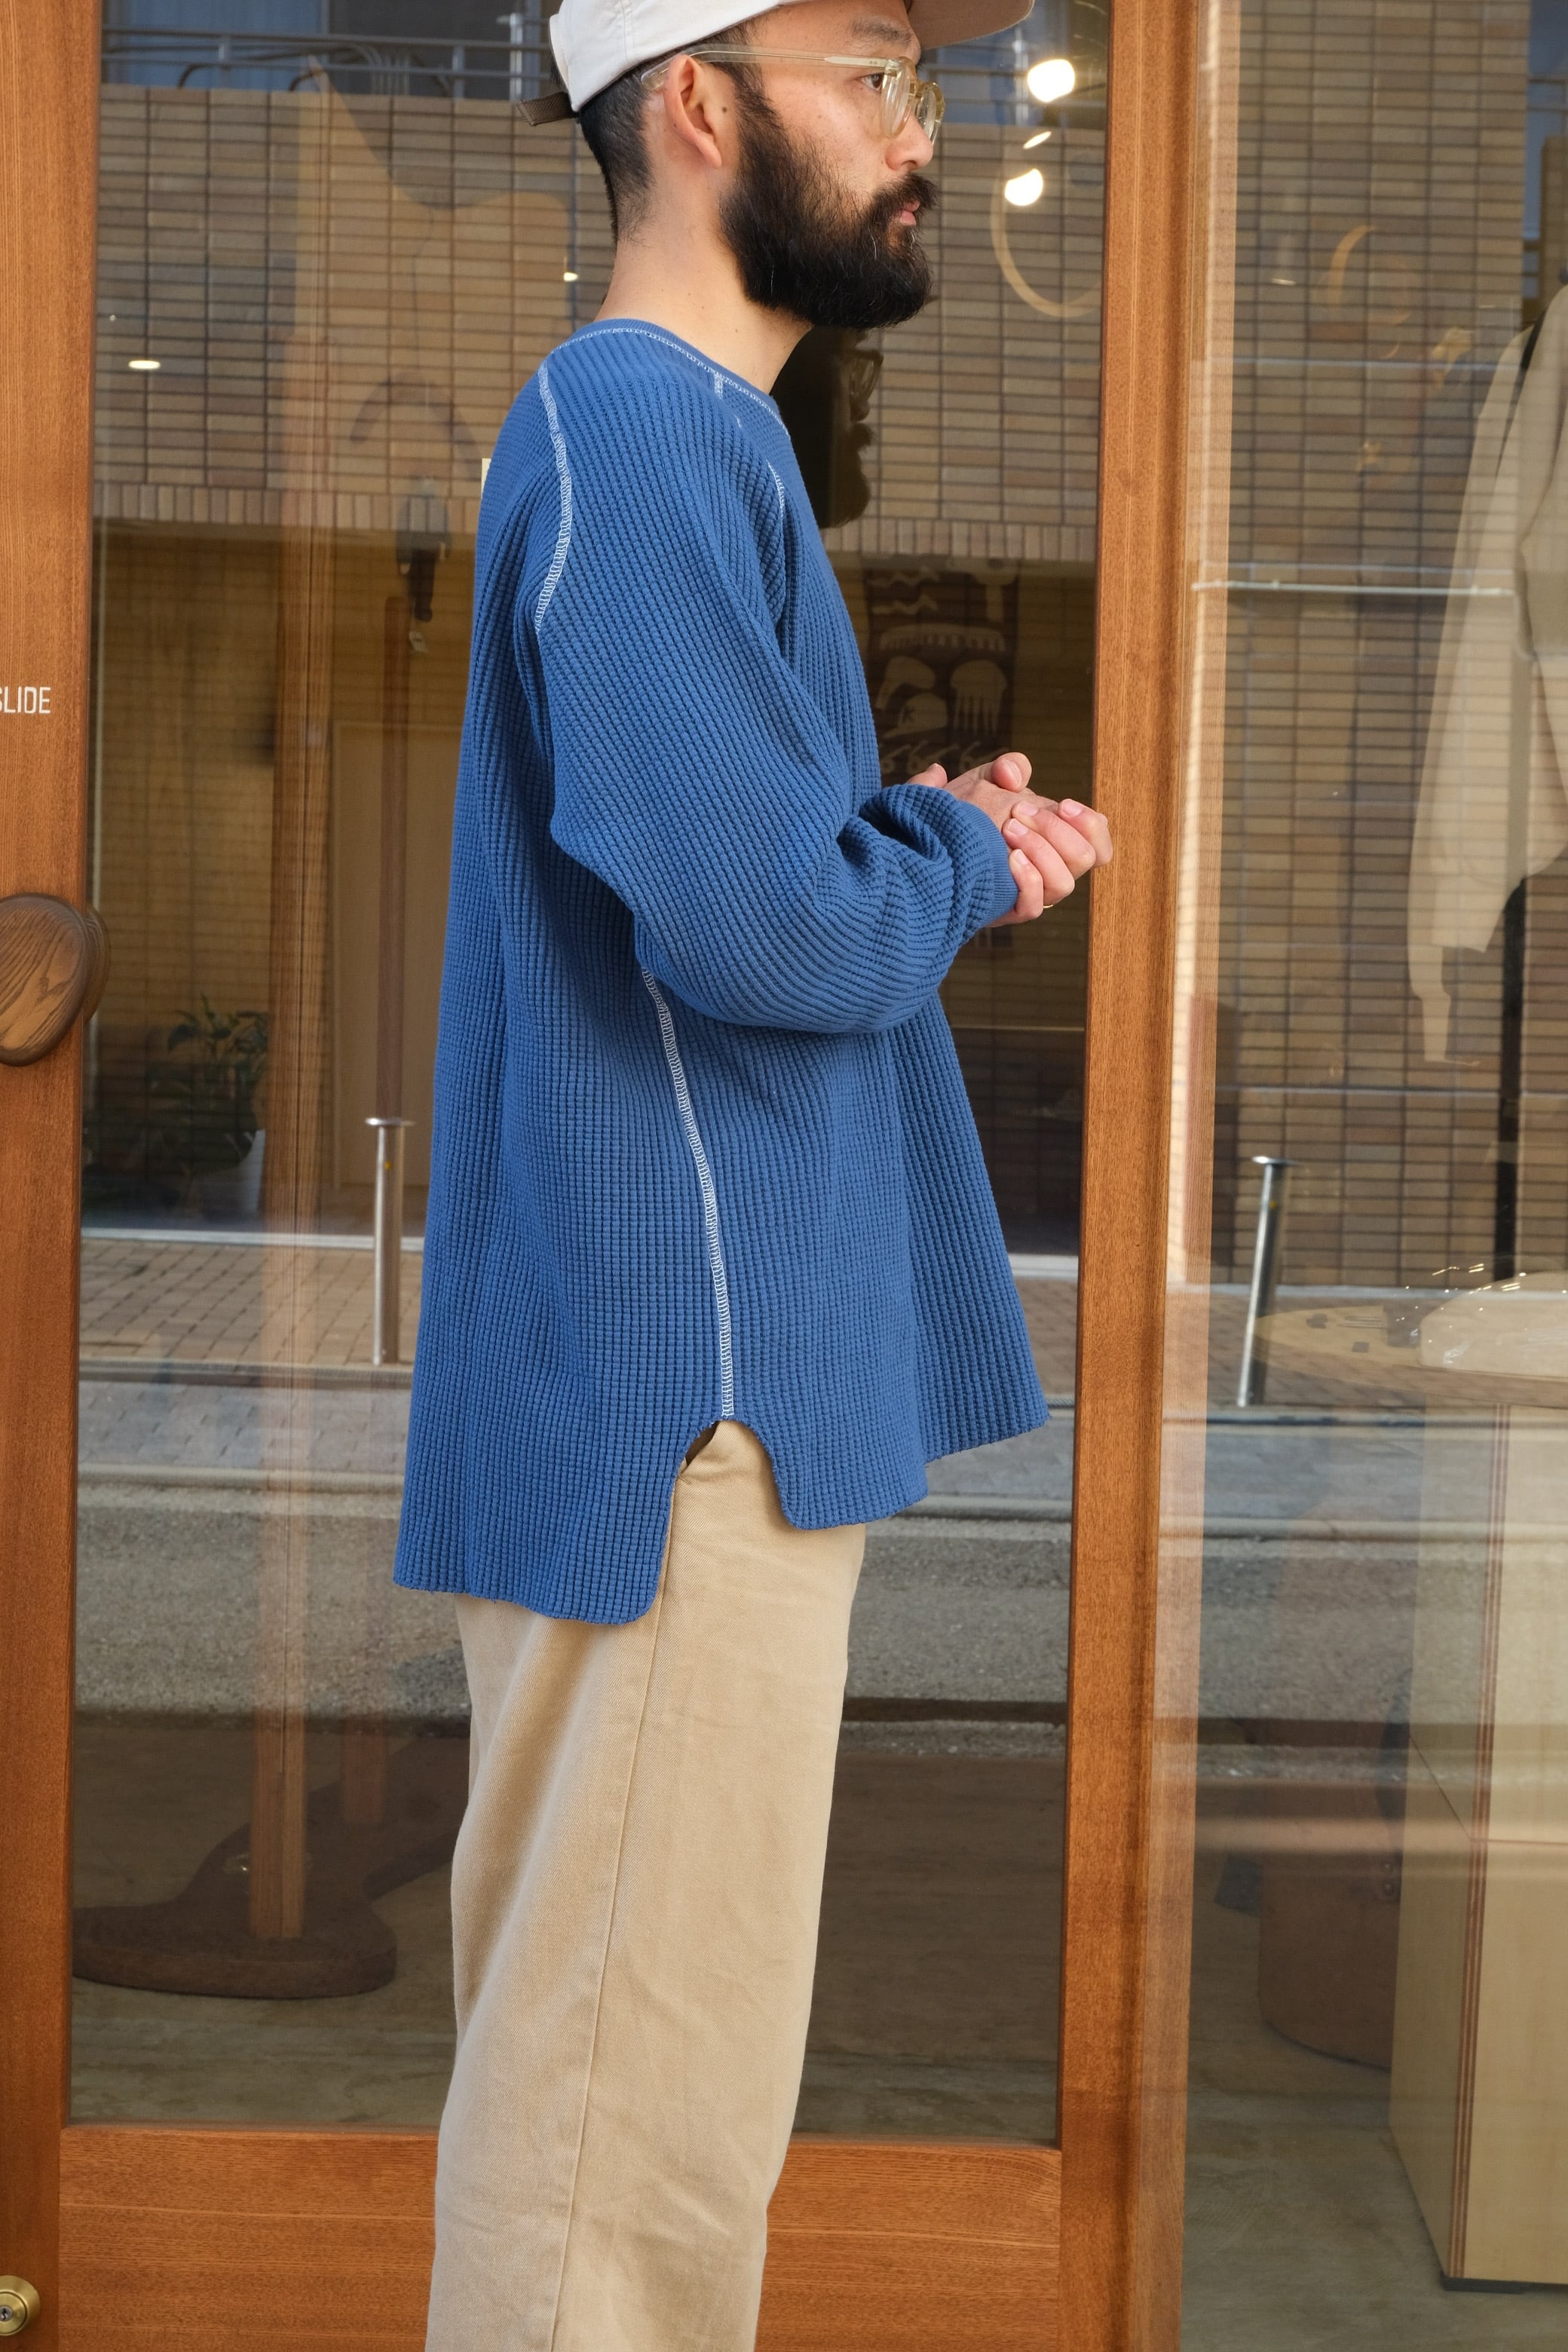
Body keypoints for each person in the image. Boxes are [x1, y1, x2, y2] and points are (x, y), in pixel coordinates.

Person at [394, 0, 1113, 2341]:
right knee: (624, 2154)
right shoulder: (642, 427)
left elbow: (751, 878)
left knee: (632, 2116)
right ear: (696, 102)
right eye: (871, 75)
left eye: (925, 81)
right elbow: (761, 925)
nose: (923, 130)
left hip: (683, 1400)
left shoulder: (678, 436)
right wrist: (954, 864)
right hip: (686, 1412)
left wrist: (911, 836)